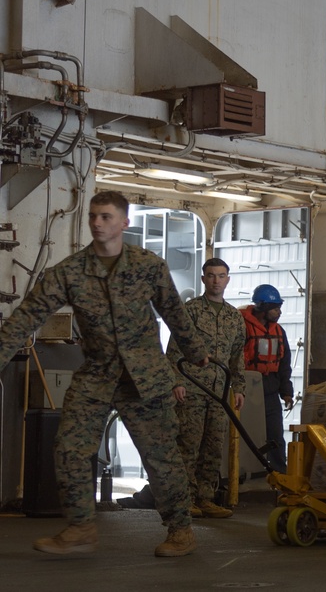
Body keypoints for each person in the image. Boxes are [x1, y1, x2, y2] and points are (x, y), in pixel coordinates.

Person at [0, 191, 209, 557]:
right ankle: (81, 526)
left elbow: (174, 313)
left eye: (107, 217)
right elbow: (27, 317)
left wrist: (196, 353)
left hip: (145, 378)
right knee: (69, 448)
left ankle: (180, 529)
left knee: (160, 458)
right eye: (94, 216)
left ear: (124, 222)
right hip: (97, 374)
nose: (98, 222)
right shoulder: (69, 272)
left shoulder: (149, 265)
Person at [169, 258, 247, 519]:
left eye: (221, 275)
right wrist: (176, 381)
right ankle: (185, 499)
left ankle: (206, 498)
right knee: (188, 445)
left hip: (220, 392)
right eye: (211, 275)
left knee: (213, 447)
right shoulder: (190, 311)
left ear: (228, 279)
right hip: (192, 387)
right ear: (203, 279)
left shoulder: (234, 317)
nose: (216, 280)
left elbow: (237, 356)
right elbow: (174, 348)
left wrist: (238, 388)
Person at [241, 284, 294, 473]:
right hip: (246, 391)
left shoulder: (279, 332)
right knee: (246, 435)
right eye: (275, 308)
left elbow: (284, 364)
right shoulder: (242, 327)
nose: (279, 312)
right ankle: (243, 474)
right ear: (262, 307)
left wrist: (286, 392)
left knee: (276, 437)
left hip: (270, 391)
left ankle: (280, 474)